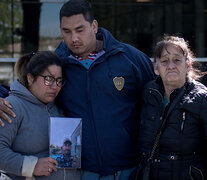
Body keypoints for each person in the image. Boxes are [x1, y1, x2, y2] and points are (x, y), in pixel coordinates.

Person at [0, 0, 155, 179]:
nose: (74, 38)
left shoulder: (130, 58)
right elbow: (26, 88)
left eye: (80, 30)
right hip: (85, 172)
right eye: (67, 31)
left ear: (94, 26)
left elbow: (158, 96)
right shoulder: (57, 63)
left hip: (130, 170)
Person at [137, 35, 207, 179]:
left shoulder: (202, 99)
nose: (171, 66)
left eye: (177, 60)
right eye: (164, 61)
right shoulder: (148, 94)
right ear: (156, 68)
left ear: (188, 65)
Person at [0, 51, 63, 179]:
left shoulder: (59, 105)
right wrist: (32, 165)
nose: (54, 86)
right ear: (30, 78)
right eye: (48, 79)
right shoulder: (10, 106)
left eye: (59, 80)